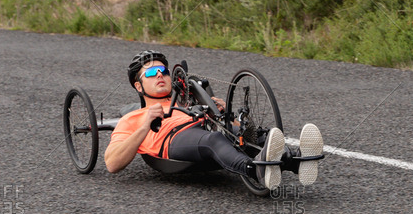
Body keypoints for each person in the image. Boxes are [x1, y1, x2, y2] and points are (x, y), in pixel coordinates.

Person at [104, 50, 324, 190]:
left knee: (259, 134)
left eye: (163, 70)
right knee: (214, 140)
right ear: (138, 86)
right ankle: (254, 170)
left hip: (202, 129)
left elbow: (237, 132)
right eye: (151, 73)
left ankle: (296, 161)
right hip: (172, 141)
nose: (160, 75)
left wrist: (224, 113)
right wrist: (144, 125)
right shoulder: (132, 118)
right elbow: (112, 163)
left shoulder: (187, 104)